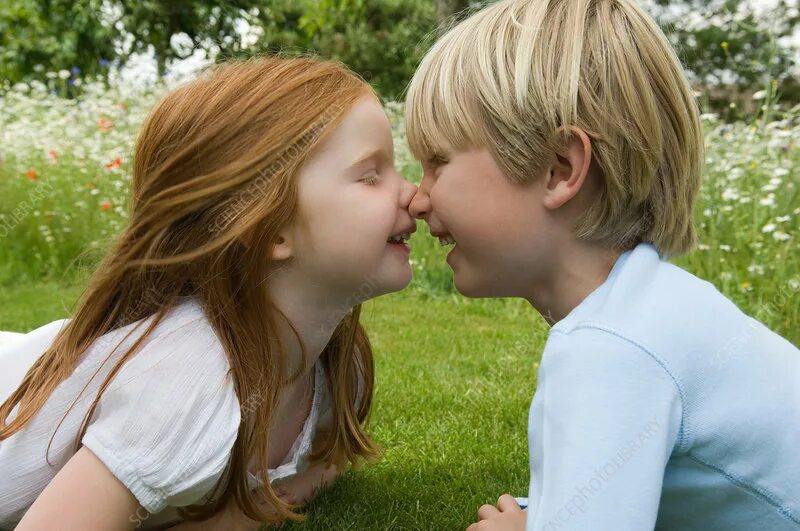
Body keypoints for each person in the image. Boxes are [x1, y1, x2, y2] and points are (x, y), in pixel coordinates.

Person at [404, 0, 800, 529]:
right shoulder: (652, 306)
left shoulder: (610, 349)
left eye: (438, 164)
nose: (418, 199)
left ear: (558, 169)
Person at [0, 56, 418, 530]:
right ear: (268, 228)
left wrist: (246, 512)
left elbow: (327, 463)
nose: (414, 194)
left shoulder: (340, 363)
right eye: (369, 176)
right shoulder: (190, 374)